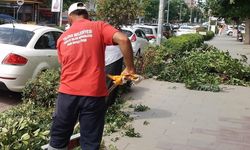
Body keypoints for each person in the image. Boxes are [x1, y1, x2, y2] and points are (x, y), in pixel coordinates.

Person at [48, 2, 135, 150]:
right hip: (93, 94)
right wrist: (130, 68)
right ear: (87, 15)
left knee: (58, 139)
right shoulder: (98, 26)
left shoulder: (63, 38)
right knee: (90, 142)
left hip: (67, 94)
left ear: (70, 17)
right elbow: (124, 40)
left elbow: (64, 66)